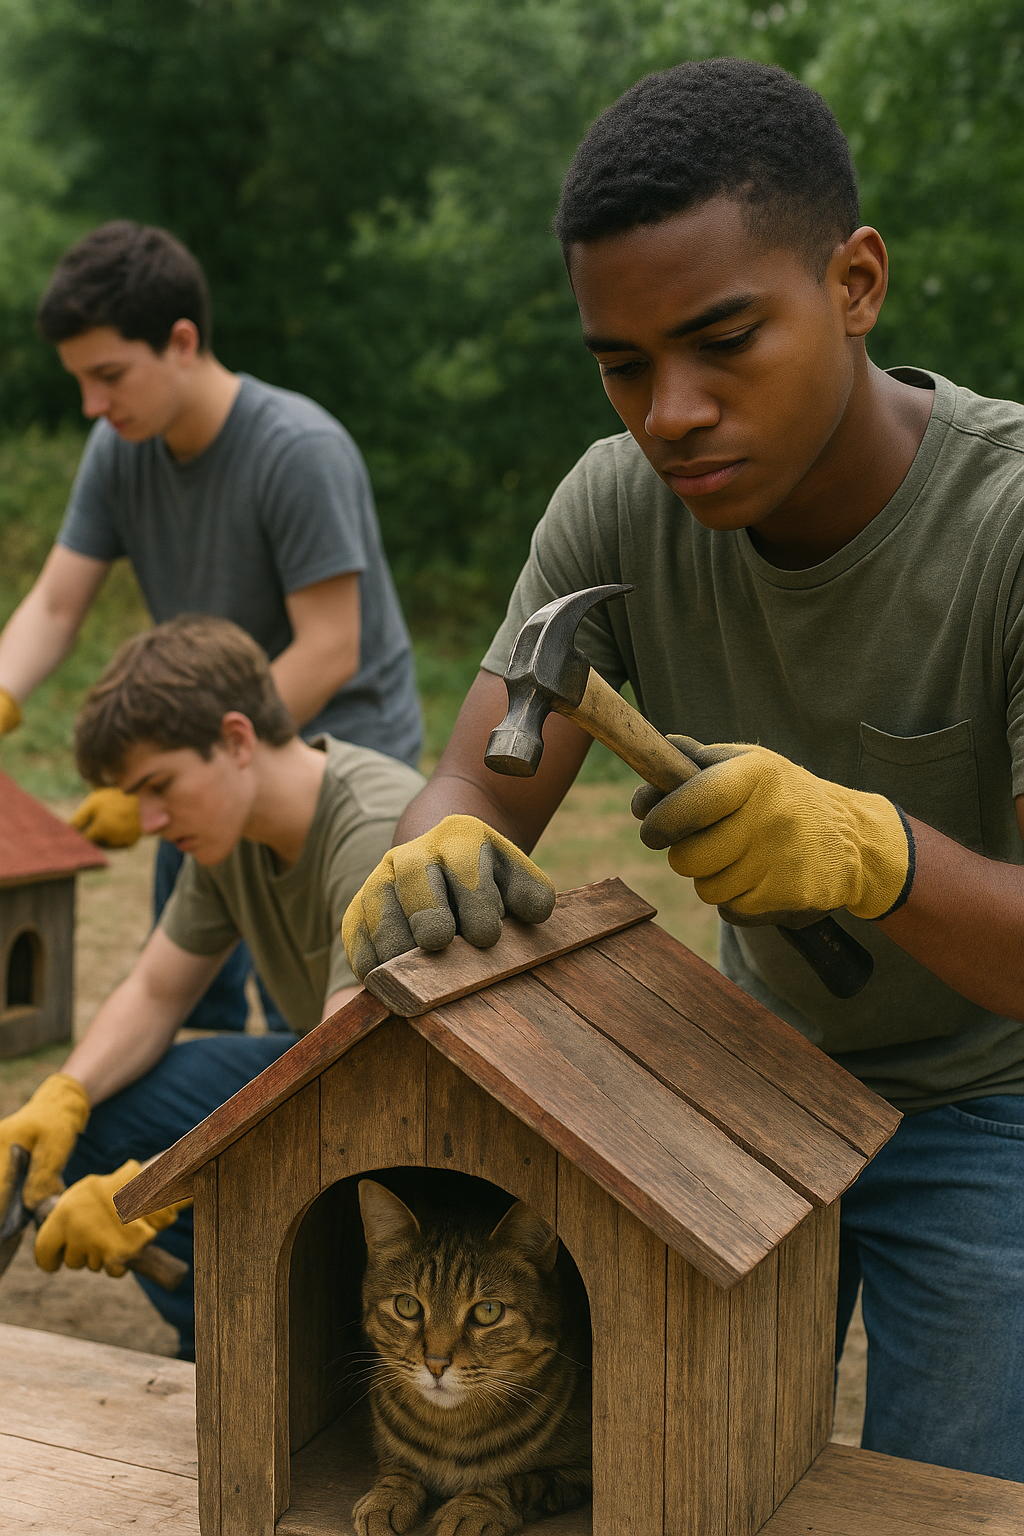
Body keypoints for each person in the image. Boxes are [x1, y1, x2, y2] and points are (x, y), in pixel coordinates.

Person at [342, 60, 1024, 1481]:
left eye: (723, 341)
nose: (671, 412)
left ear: (855, 283)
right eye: (624, 363)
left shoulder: (1006, 527)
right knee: (675, 1475)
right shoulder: (617, 504)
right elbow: (474, 783)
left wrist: (872, 854)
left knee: (958, 1495)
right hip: (748, 1074)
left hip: (992, 1092)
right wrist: (437, 847)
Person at [0, 220, 421, 1031]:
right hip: (198, 749)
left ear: (182, 341)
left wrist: (180, 759)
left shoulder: (296, 450)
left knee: (313, 1018)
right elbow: (55, 606)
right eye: (80, 381)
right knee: (187, 997)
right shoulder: (119, 450)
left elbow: (332, 649)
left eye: (110, 375)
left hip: (329, 759)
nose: (93, 403)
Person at [0, 616, 424, 1360]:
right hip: (330, 1075)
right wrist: (61, 1095)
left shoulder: (374, 827)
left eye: (158, 786)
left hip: (427, 1128)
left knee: (191, 1154)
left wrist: (151, 1192)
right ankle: (229, 1341)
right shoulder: (232, 832)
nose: (151, 820)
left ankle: (291, 1362)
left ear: (235, 739)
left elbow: (342, 1081)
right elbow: (159, 990)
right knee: (103, 1116)